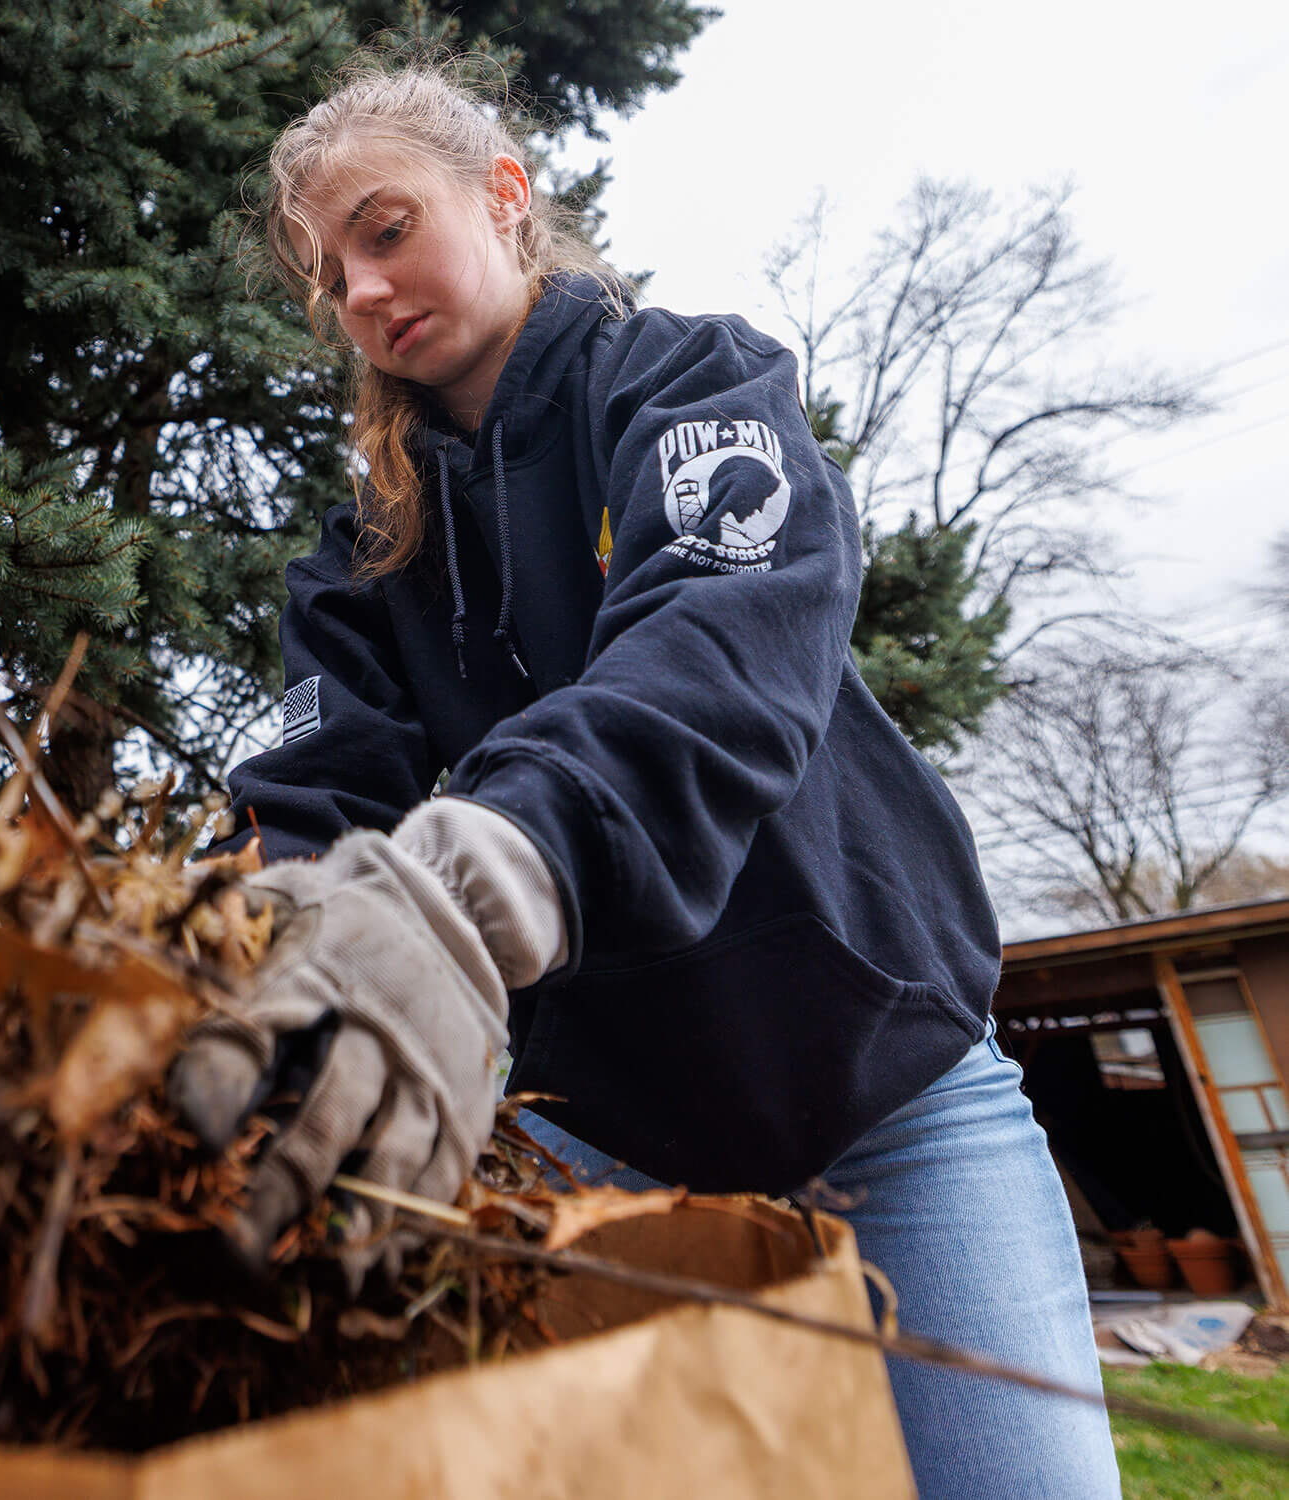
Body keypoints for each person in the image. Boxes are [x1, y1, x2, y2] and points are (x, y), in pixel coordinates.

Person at [166, 56, 1122, 1499]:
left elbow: (715, 648)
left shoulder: (693, 383)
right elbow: (313, 797)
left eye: (385, 229)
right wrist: (250, 957)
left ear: (504, 195)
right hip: (606, 1161)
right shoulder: (355, 562)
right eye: (327, 273)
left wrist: (473, 878)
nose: (361, 292)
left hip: (891, 1101)